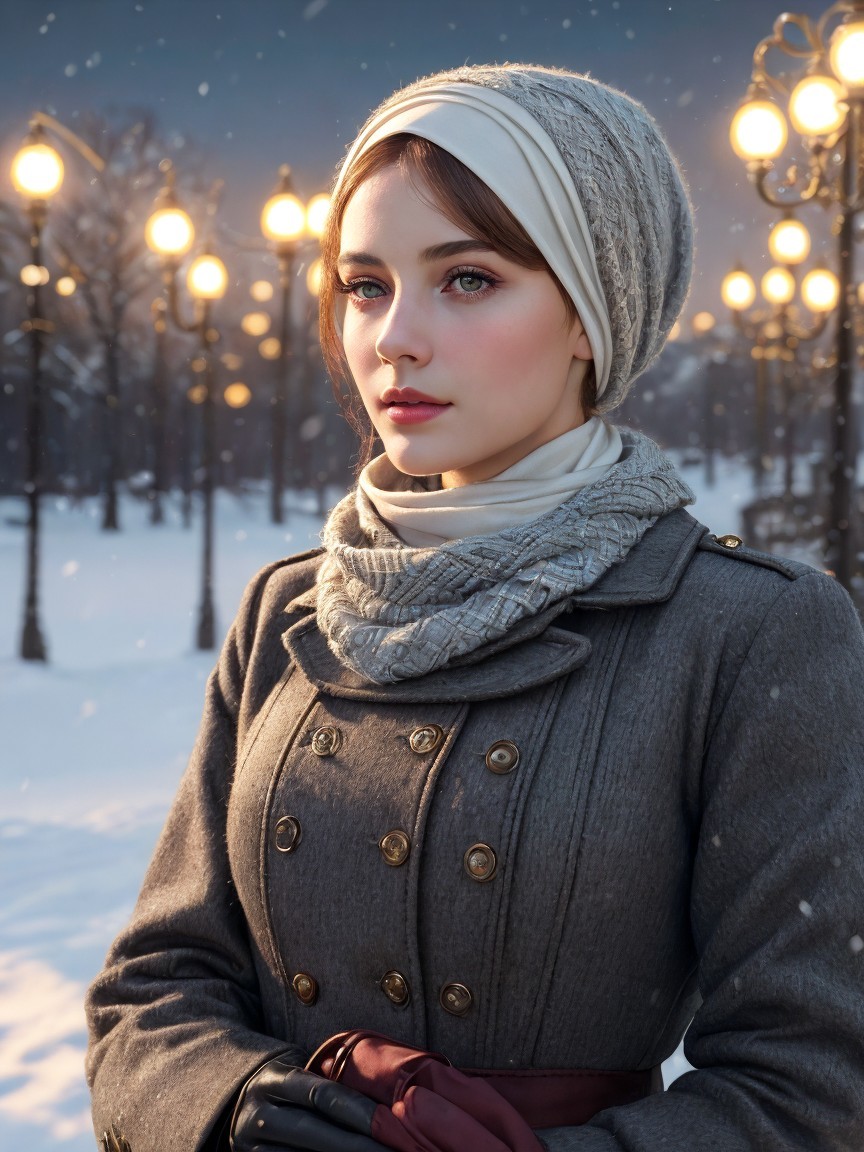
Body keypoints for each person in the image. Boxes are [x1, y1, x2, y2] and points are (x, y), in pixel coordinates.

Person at [86, 63, 864, 1152]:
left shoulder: (746, 631)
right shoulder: (288, 611)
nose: (394, 336)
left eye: (466, 279)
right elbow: (155, 987)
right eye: (365, 285)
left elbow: (813, 1080)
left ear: (593, 312)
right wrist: (235, 1105)